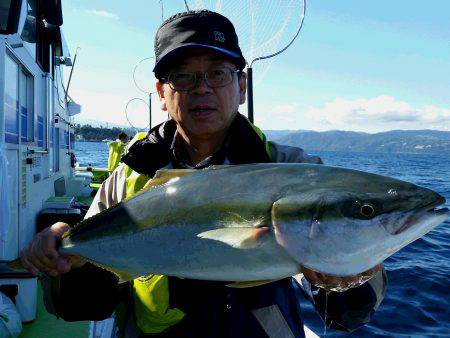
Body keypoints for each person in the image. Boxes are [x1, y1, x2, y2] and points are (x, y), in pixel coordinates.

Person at [20, 10, 387, 338]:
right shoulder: (129, 179)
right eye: (184, 77)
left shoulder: (296, 172)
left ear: (241, 87)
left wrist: (353, 279)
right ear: (162, 93)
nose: (203, 89)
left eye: (219, 73)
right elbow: (86, 306)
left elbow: (350, 315)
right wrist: (63, 254)